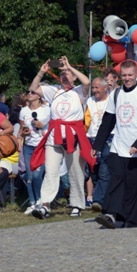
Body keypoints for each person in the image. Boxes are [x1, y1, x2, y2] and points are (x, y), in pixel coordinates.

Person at [92, 60, 137, 229]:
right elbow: (108, 121)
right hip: (120, 146)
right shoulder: (115, 94)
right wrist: (97, 145)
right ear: (119, 76)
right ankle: (111, 214)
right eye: (124, 75)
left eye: (130, 75)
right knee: (117, 180)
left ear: (136, 75)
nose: (127, 78)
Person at [28, 56, 94, 219]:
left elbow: (87, 82)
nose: (64, 75)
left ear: (73, 75)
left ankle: (77, 203)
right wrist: (41, 72)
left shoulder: (79, 91)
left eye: (67, 73)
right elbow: (33, 88)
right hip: (54, 136)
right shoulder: (55, 90)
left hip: (73, 136)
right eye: (62, 73)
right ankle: (45, 205)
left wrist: (69, 66)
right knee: (51, 171)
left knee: (75, 171)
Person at [84, 77, 109, 212]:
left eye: (97, 87)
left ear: (105, 87)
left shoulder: (111, 101)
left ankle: (99, 200)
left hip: (107, 138)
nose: (94, 90)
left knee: (104, 170)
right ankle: (95, 197)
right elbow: (86, 120)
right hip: (91, 138)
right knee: (93, 170)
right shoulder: (90, 101)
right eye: (93, 88)